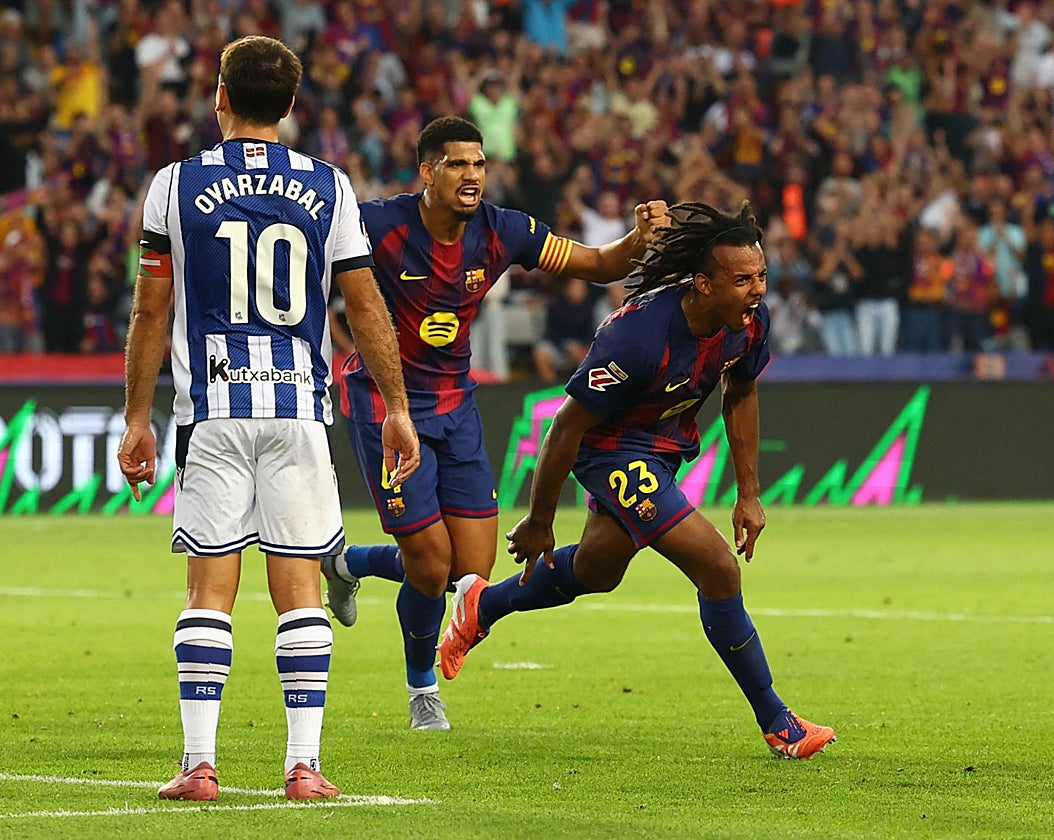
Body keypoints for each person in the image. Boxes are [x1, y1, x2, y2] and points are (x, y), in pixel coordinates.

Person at [118, 36, 419, 803]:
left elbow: (151, 309)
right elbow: (364, 305)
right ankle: (303, 766)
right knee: (300, 588)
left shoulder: (172, 186)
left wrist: (136, 417)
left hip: (213, 409)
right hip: (298, 411)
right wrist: (396, 406)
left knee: (208, 590)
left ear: (220, 96)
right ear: (289, 104)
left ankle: (200, 765)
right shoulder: (330, 187)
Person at [437, 201, 837, 760]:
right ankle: (778, 722)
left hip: (664, 449)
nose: (757, 291)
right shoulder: (639, 336)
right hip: (610, 451)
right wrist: (540, 520)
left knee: (598, 571)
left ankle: (483, 605)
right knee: (718, 568)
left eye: (761, 276)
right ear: (703, 285)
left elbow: (742, 393)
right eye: (743, 280)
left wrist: (749, 494)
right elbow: (565, 427)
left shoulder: (748, 324)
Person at [324, 115, 668, 731]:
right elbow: (308, 269)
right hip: (386, 406)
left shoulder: (503, 229)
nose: (472, 176)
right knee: (431, 565)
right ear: (427, 172)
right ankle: (422, 687)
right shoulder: (377, 224)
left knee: (468, 574)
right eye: (457, 164)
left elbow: (596, 263)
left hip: (455, 405)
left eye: (479, 164)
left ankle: (348, 563)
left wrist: (637, 240)